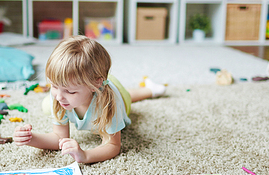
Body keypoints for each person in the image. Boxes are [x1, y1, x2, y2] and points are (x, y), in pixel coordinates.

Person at [13, 35, 166, 163]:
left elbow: (112, 145)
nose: (58, 96)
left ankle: (150, 89)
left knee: (127, 98)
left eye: (70, 92)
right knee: (46, 105)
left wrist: (85, 155)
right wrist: (31, 139)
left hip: (112, 90)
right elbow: (59, 138)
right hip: (91, 81)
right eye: (53, 85)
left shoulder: (109, 103)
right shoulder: (60, 95)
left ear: (94, 85)